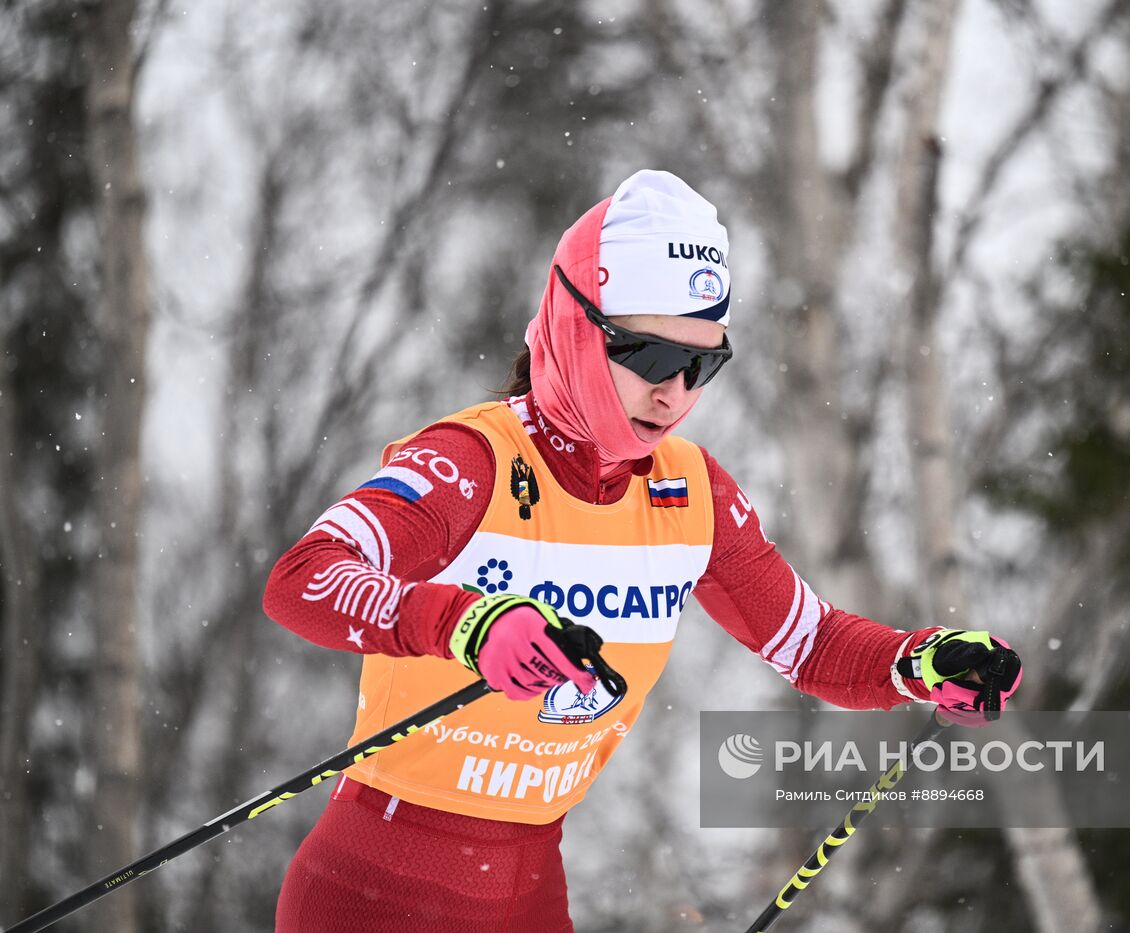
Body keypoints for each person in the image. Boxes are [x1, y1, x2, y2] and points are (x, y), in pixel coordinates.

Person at [263, 170, 1023, 932]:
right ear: (575, 328)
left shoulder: (690, 493)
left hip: (527, 891)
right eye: (653, 358)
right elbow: (304, 578)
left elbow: (810, 641)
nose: (676, 393)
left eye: (704, 363)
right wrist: (467, 623)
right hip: (374, 894)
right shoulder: (472, 460)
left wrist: (917, 662)